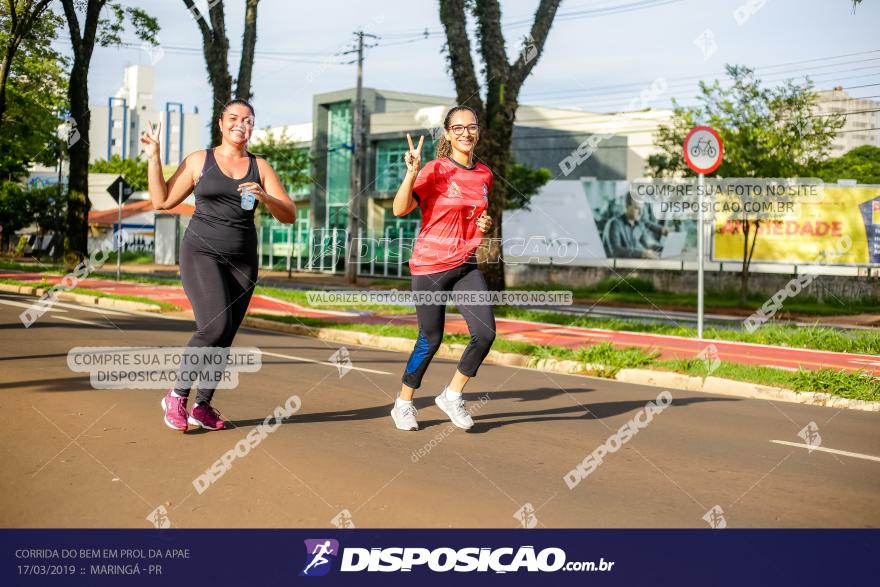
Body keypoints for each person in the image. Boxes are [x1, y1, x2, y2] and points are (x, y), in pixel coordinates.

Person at [141, 100, 296, 432]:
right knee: (213, 325)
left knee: (226, 334)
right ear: (221, 123)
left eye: (248, 120)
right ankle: (176, 396)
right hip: (201, 252)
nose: (241, 124)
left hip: (243, 258)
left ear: (253, 127)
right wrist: (154, 158)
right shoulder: (201, 160)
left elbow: (289, 214)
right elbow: (162, 201)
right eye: (234, 118)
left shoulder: (261, 167)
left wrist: (265, 197)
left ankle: (203, 406)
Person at [389, 105, 496, 432]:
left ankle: (452, 395)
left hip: (465, 263)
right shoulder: (435, 169)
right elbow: (399, 209)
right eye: (459, 128)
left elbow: (475, 216)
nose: (466, 133)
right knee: (431, 338)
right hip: (430, 264)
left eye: (472, 127)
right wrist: (411, 172)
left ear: (477, 132)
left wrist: (484, 224)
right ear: (448, 134)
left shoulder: (484, 174)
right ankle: (404, 402)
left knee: (485, 333)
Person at [603, 191, 668, 259]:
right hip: (617, 267)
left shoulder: (638, 225)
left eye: (642, 209)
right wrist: (642, 254)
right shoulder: (615, 224)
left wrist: (665, 249)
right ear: (626, 206)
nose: (640, 212)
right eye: (637, 208)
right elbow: (616, 251)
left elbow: (649, 244)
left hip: (632, 265)